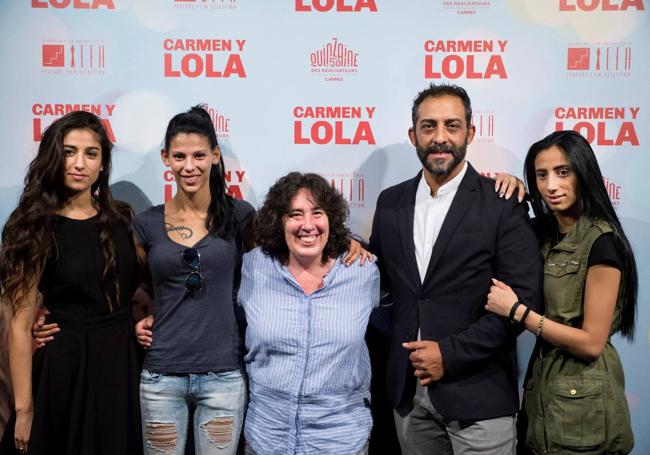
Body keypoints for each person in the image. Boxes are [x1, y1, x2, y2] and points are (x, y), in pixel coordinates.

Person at [368, 82, 542, 454]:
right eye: (429, 127)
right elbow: (383, 284)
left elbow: (523, 301)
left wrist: (449, 354)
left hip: (479, 398)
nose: (440, 138)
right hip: (408, 396)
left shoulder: (502, 203)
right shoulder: (391, 202)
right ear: (413, 135)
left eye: (452, 125)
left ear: (470, 133)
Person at [485, 130, 636, 454]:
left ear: (583, 173)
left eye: (562, 172)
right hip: (543, 392)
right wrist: (513, 188)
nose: (551, 185)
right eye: (542, 175)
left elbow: (592, 343)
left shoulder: (602, 242)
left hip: (586, 401)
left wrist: (517, 312)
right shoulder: (543, 232)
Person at [0, 111, 142, 454]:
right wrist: (24, 410)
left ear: (103, 164)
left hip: (121, 365)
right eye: (68, 152)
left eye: (91, 153)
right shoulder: (33, 225)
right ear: (53, 156)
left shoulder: (122, 218)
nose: (79, 163)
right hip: (66, 366)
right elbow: (19, 327)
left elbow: (138, 286)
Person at [239, 172, 379, 454]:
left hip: (341, 439)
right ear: (280, 221)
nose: (307, 225)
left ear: (331, 219)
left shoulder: (363, 272)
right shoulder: (252, 267)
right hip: (267, 437)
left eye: (317, 213)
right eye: (295, 214)